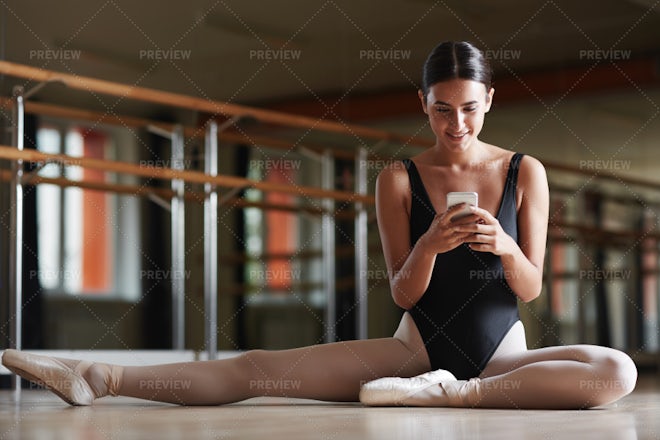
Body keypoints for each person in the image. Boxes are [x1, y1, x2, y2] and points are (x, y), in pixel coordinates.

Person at [2, 41, 637, 409]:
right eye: (442, 110)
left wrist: (499, 243)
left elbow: (528, 289)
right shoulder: (397, 178)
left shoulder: (526, 172)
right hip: (411, 353)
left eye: (469, 109)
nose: (457, 125)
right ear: (424, 104)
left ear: (490, 101)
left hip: (502, 361)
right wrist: (428, 246)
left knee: (617, 371)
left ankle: (452, 396)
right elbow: (403, 294)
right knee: (257, 369)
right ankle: (98, 376)